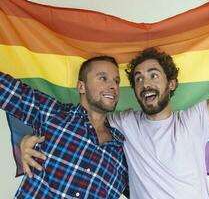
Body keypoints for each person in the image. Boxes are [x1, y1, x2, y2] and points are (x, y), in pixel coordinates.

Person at [20, 0, 209, 198]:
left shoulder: (193, 121)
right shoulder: (122, 124)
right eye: (137, 78)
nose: (145, 82)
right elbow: (80, 124)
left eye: (153, 75)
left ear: (171, 83)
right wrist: (28, 140)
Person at [0, 56, 128, 198]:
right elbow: (6, 90)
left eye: (116, 81)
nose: (113, 86)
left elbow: (151, 188)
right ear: (81, 86)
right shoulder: (54, 114)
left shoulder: (123, 151)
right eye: (103, 78)